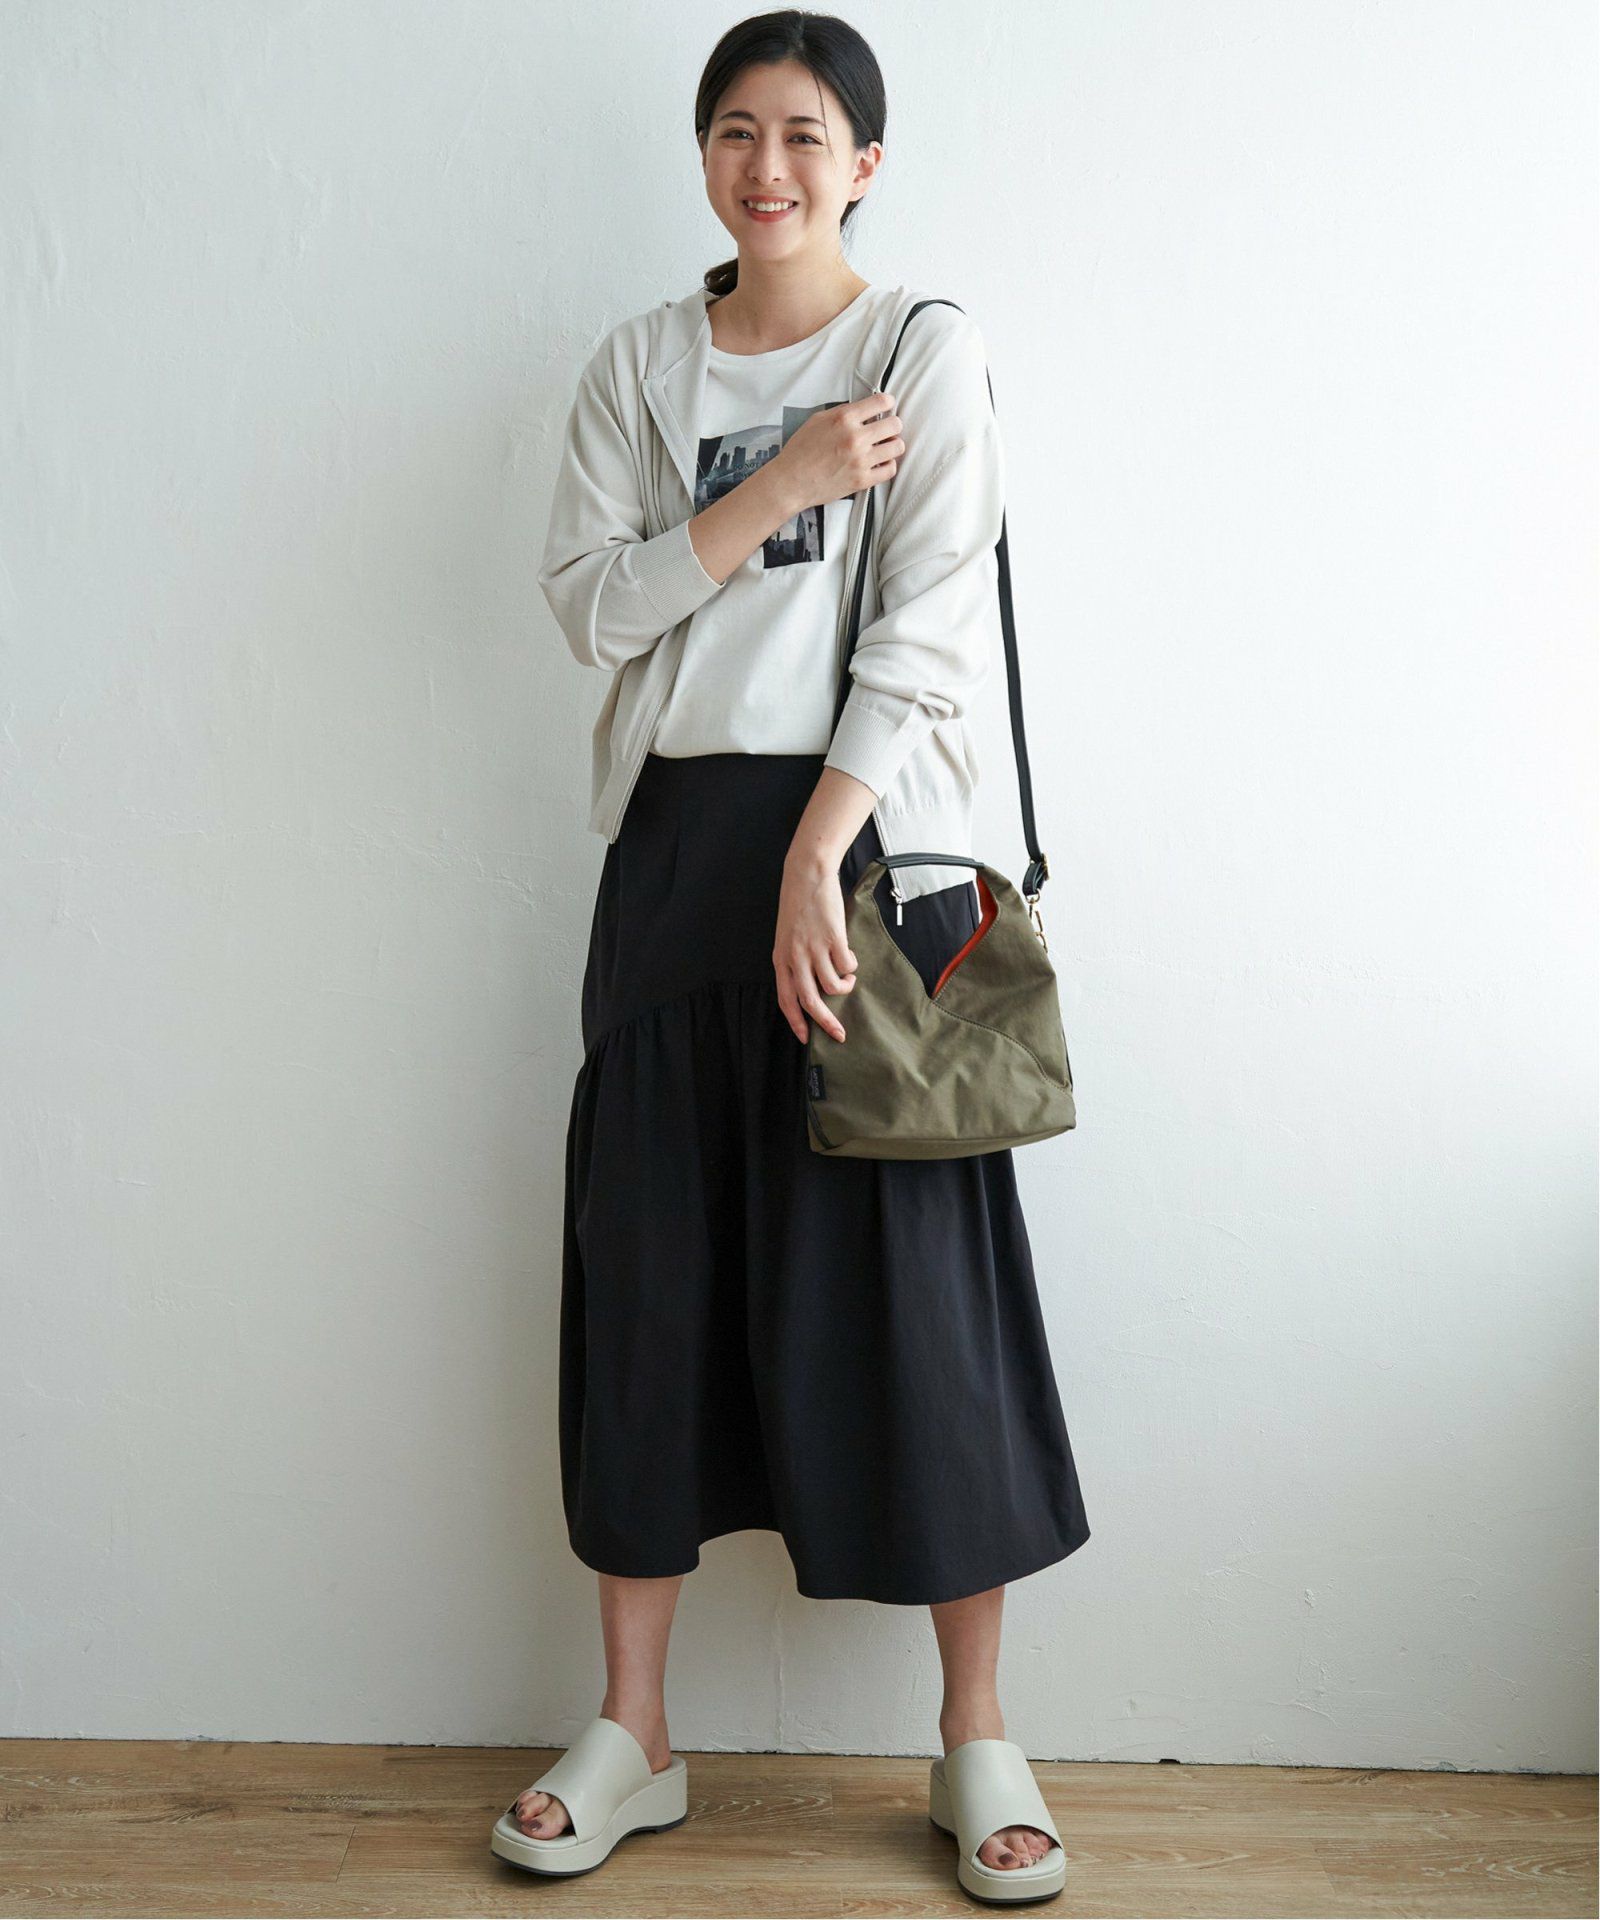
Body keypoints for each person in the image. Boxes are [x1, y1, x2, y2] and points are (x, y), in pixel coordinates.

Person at [490, 10, 1090, 1902]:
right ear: (704, 157)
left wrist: (820, 851)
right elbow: (592, 607)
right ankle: (635, 1734)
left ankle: (976, 1734)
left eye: (807, 133)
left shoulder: (925, 350)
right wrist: (780, 480)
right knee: (650, 1278)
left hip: (874, 849)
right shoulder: (639, 367)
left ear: (866, 164)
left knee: (921, 1285)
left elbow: (931, 625)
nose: (768, 165)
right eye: (736, 131)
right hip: (678, 854)